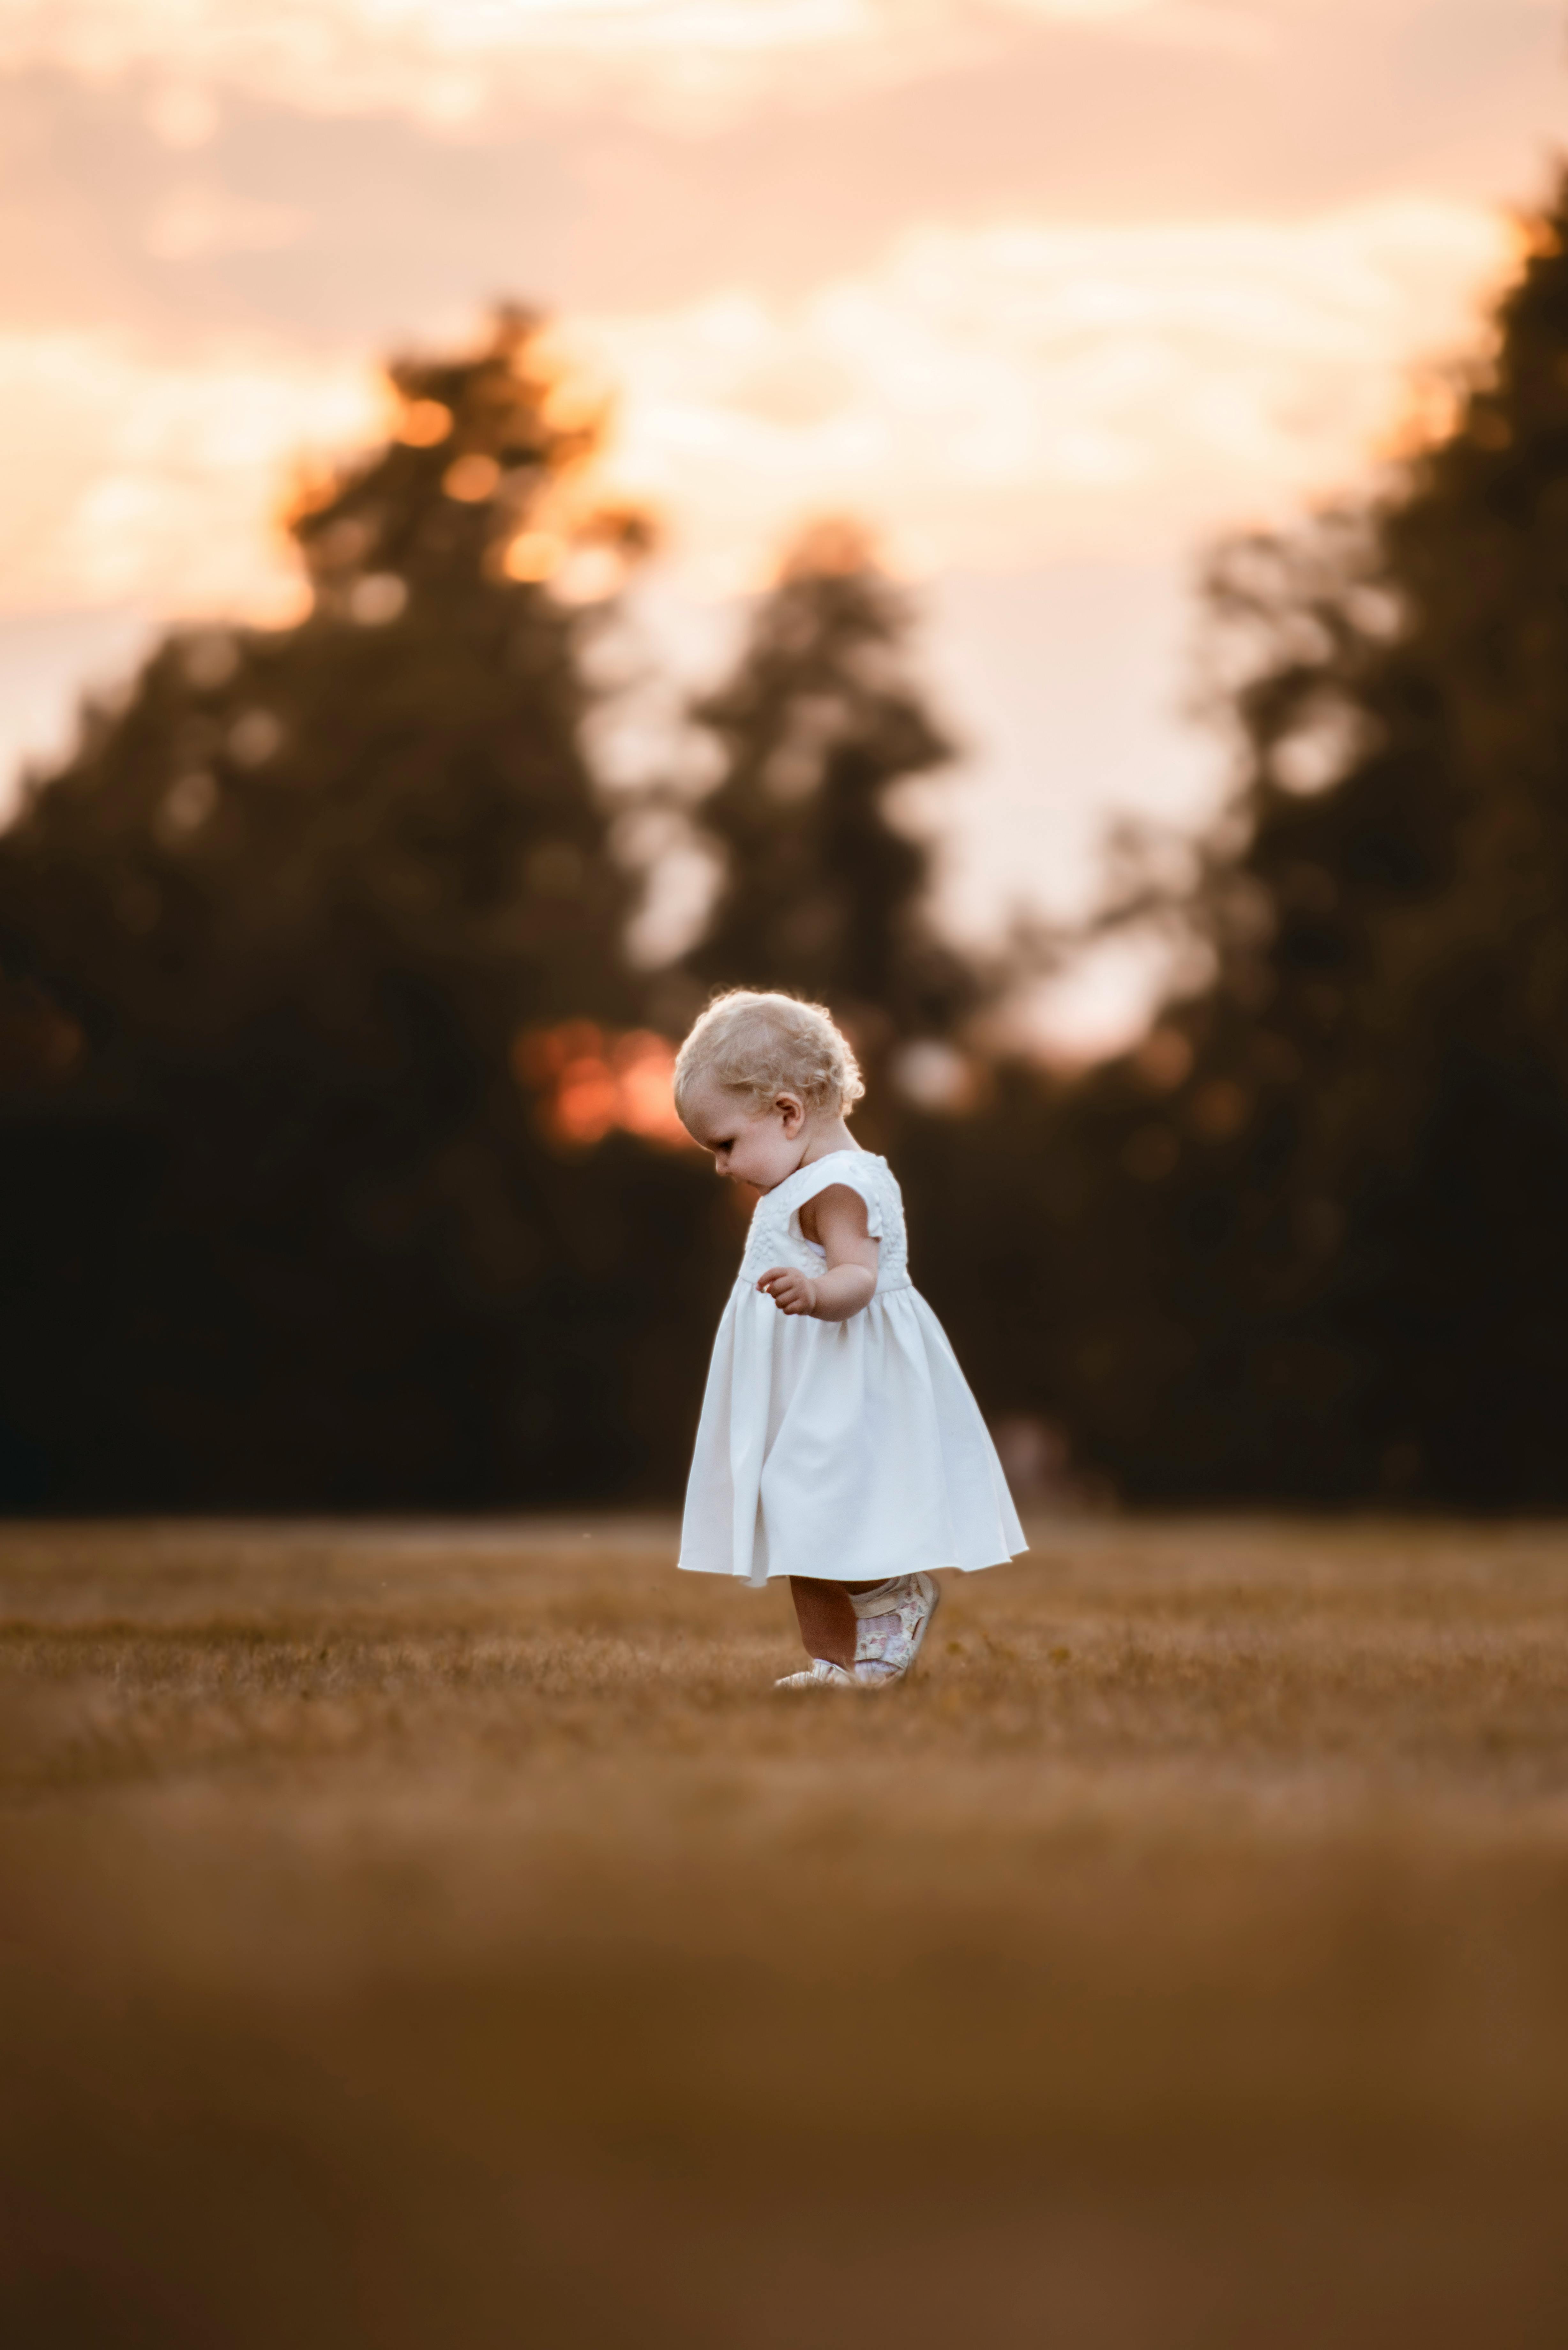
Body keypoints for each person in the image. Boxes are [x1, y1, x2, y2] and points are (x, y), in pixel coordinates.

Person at [674, 987, 1026, 1688]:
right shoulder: (805, 1178)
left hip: (841, 1383)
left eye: (725, 1144)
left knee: (813, 1504)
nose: (721, 1166)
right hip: (809, 1382)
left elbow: (859, 1277)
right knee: (794, 1519)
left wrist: (815, 1293)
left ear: (787, 1111)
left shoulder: (839, 1184)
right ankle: (835, 1663)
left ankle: (889, 1596)